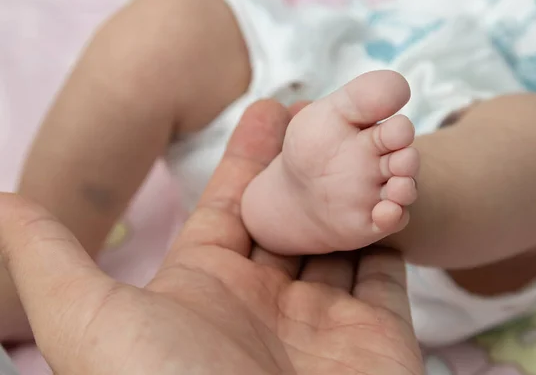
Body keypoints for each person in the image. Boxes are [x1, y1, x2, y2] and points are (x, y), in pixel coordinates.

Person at [2, 0, 536, 347]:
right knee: (173, 20)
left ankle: (371, 206)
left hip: (452, 232)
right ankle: (26, 268)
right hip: (329, 77)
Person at [0, 100, 424, 374]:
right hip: (342, 59)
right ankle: (20, 290)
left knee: (445, 166)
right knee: (180, 13)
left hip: (416, 159)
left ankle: (15, 286)